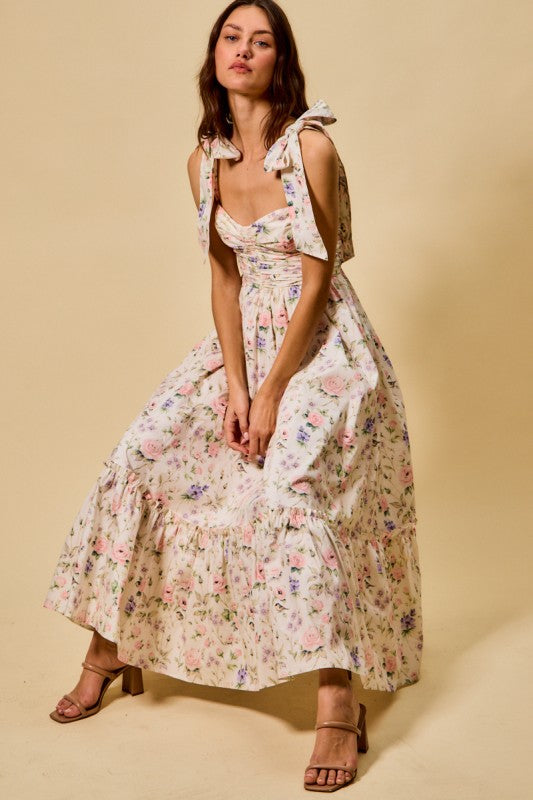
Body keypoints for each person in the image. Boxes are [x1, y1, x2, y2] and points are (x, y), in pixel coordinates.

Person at [42, 0, 423, 791]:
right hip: (242, 343)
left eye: (261, 41)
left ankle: (334, 701)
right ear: (214, 54)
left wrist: (277, 390)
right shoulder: (203, 160)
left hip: (322, 348)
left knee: (293, 491)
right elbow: (222, 276)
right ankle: (111, 651)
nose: (242, 50)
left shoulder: (308, 147)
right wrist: (236, 385)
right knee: (142, 460)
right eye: (230, 37)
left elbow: (318, 276)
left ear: (279, 61)